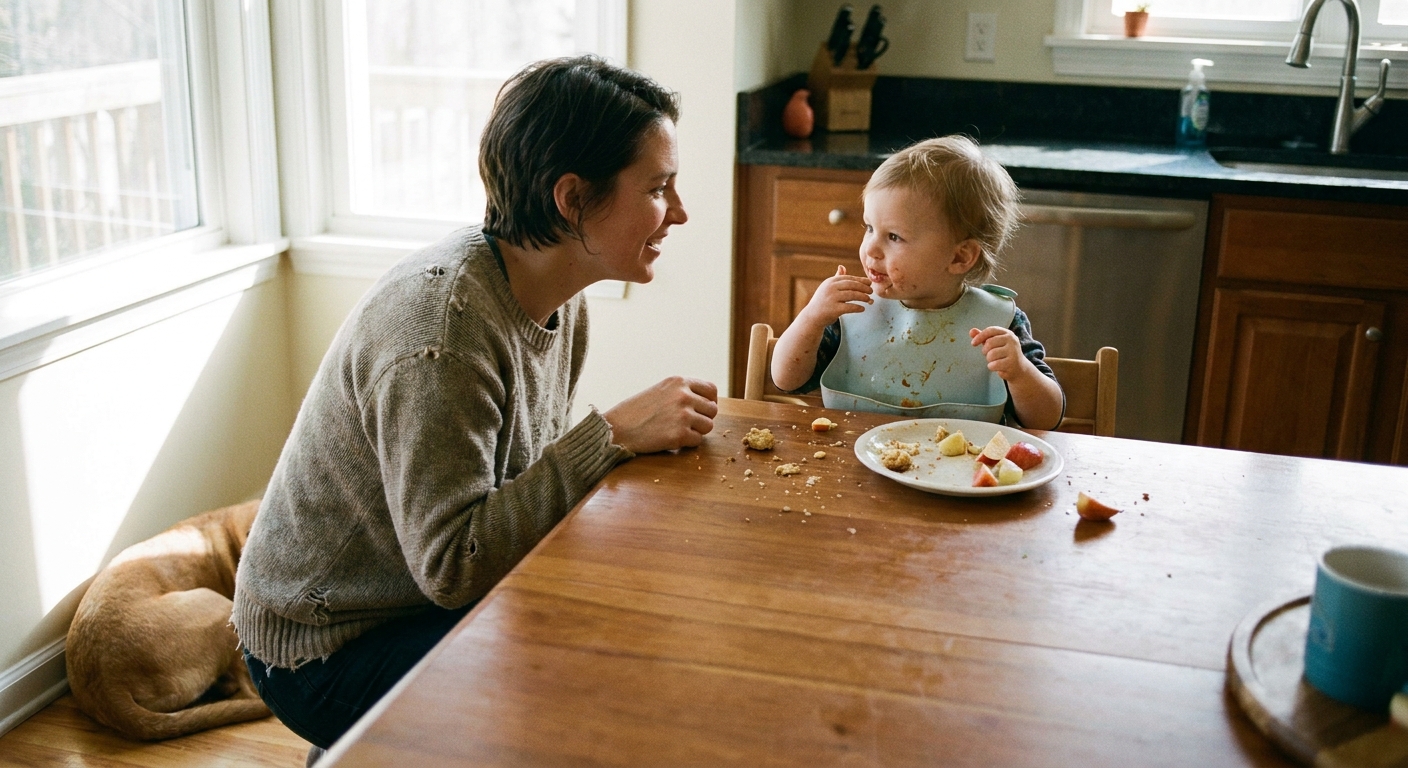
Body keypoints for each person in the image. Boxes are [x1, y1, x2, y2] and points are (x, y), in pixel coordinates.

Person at [232, 56, 717, 762]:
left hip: (413, 606)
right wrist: (606, 436)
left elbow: (518, 489)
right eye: (658, 188)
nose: (678, 212)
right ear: (572, 199)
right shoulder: (442, 332)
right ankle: (359, 745)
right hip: (323, 648)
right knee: (586, 695)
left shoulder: (559, 301)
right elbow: (455, 564)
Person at [770, 135, 1064, 429]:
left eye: (894, 237)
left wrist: (1019, 372)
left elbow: (1046, 420)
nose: (870, 249)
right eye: (869, 228)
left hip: (957, 471)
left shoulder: (998, 324)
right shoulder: (850, 309)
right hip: (850, 464)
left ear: (960, 257)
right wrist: (811, 318)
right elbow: (786, 381)